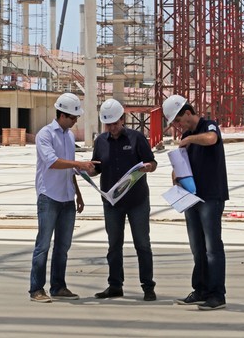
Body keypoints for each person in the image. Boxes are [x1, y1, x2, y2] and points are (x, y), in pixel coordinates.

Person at [162, 94, 229, 311]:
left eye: (179, 121)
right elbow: (182, 163)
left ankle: (217, 294)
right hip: (191, 198)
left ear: (188, 113)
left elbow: (212, 139)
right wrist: (175, 176)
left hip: (211, 196)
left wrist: (189, 139)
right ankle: (201, 289)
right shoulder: (187, 134)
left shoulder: (208, 126)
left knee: (212, 247)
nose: (178, 126)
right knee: (197, 247)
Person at [29, 92, 97, 303]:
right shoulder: (45, 135)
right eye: (72, 117)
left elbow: (69, 168)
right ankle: (36, 289)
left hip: (67, 197)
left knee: (63, 246)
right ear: (60, 114)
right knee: (43, 245)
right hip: (49, 196)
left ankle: (58, 286)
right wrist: (78, 164)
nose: (75, 121)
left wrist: (78, 193)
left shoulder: (68, 136)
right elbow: (53, 162)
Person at [89, 98, 158, 301]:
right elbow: (97, 167)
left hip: (137, 201)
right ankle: (115, 285)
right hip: (112, 202)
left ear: (122, 119)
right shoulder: (100, 141)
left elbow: (152, 162)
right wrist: (86, 170)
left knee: (142, 244)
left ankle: (148, 286)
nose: (111, 128)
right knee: (114, 245)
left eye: (114, 124)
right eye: (107, 124)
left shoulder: (137, 138)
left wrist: (148, 168)